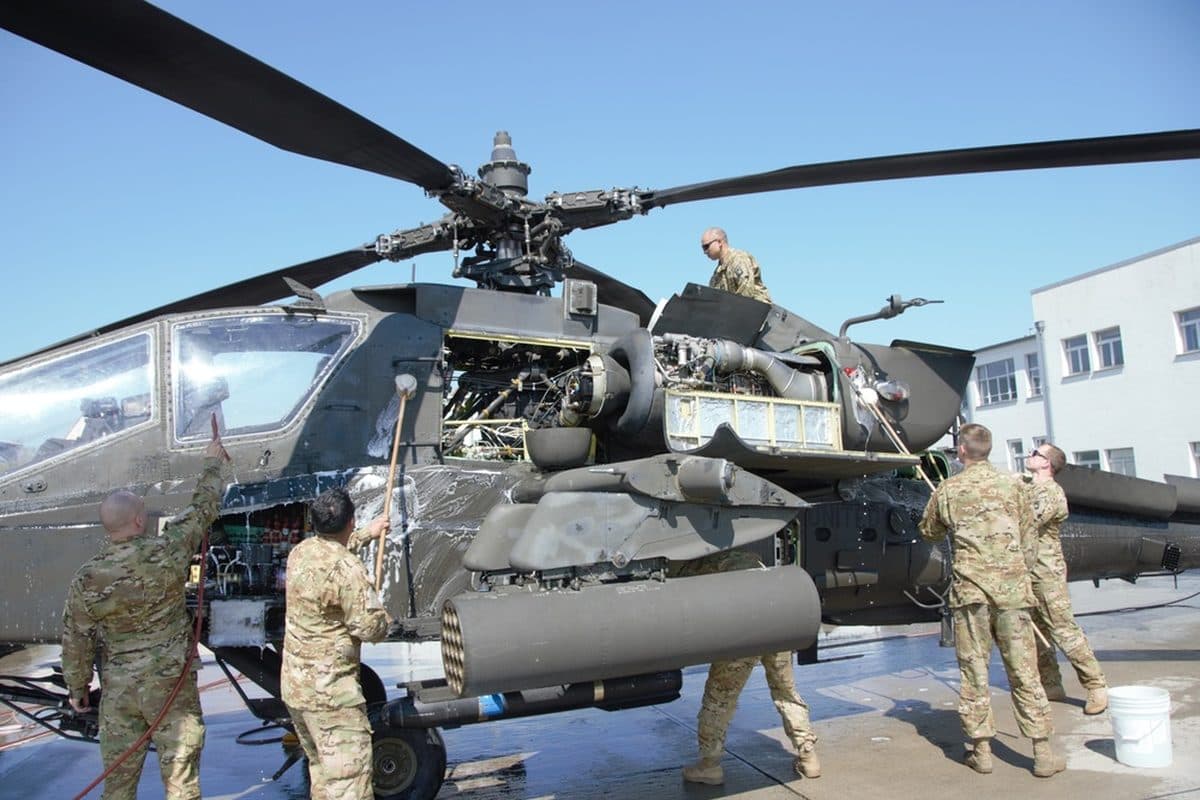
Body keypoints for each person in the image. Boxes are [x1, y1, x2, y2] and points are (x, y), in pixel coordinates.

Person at [61, 417, 229, 800]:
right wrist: (212, 462)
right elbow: (203, 508)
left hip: (120, 691)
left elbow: (76, 638)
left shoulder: (88, 578)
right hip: (170, 687)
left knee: (118, 786)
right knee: (181, 783)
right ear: (139, 520)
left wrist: (78, 688)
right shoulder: (167, 551)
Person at [919, 423, 1065, 778]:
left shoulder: (949, 489)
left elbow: (929, 532)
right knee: (1024, 670)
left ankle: (981, 750)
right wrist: (1015, 573)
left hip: (971, 594)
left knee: (974, 670)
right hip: (1012, 593)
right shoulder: (1014, 486)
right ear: (988, 449)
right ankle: (1042, 752)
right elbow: (1030, 540)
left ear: (962, 451)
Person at [670, 549, 820, 785]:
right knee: (785, 690)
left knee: (719, 697)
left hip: (746, 625)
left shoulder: (692, 565)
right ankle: (808, 755)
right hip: (778, 617)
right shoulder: (748, 558)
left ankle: (709, 765)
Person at [281, 487, 391, 800]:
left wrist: (369, 533)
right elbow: (368, 628)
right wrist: (382, 616)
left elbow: (332, 555)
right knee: (349, 786)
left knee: (325, 780)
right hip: (332, 698)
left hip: (297, 692)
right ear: (350, 520)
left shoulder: (300, 553)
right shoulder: (348, 570)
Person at [1025, 442, 1108, 714]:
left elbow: (1027, 521)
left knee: (1063, 629)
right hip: (1028, 571)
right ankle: (1051, 684)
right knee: (1037, 632)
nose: (1030, 455)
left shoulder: (1050, 493)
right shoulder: (1030, 488)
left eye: (1036, 453)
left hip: (1046, 571)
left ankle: (1095, 686)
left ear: (1046, 463)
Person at [701, 227, 772, 302]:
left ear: (719, 242)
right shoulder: (716, 275)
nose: (705, 252)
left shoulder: (739, 259)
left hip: (758, 306)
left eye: (706, 246)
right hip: (737, 307)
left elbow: (746, 293)